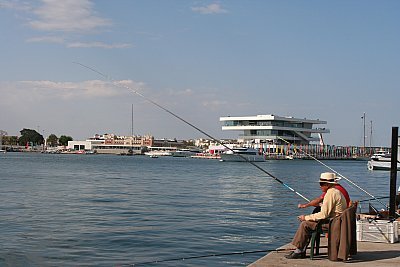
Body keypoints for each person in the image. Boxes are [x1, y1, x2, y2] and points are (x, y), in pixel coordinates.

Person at [285, 172, 347, 259]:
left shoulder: (330, 193)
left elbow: (324, 214)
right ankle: (301, 249)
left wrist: (305, 217)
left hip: (334, 224)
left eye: (321, 184)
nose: (320, 186)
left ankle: (299, 250)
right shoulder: (336, 191)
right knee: (310, 222)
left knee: (305, 224)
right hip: (338, 222)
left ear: (327, 184)